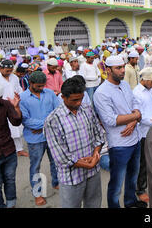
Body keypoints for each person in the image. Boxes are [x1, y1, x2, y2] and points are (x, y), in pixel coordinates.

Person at [93, 55, 146, 208]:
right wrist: (135, 116)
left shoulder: (125, 85)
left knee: (132, 177)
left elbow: (135, 103)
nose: (123, 70)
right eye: (118, 68)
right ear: (108, 70)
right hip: (120, 144)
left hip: (135, 138)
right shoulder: (101, 92)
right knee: (116, 183)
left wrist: (135, 119)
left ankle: (130, 203)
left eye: (123, 67)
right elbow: (110, 120)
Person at [45, 77, 105, 208]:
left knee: (94, 204)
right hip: (71, 177)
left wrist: (95, 155)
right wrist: (85, 164)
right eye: (74, 100)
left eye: (81, 99)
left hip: (93, 171)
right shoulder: (53, 120)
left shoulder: (87, 109)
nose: (78, 103)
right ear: (63, 97)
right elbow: (60, 156)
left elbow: (99, 134)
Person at [19, 71, 60, 206]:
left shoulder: (50, 94)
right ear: (30, 83)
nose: (41, 88)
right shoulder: (22, 98)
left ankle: (56, 183)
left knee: (55, 161)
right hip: (34, 139)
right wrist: (46, 123)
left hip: (52, 135)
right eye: (38, 86)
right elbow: (26, 120)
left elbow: (58, 112)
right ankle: (37, 194)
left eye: (43, 86)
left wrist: (42, 125)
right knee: (35, 166)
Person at [132, 67, 152, 204]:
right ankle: (140, 190)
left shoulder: (151, 90)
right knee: (143, 163)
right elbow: (139, 117)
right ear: (146, 80)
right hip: (143, 133)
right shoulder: (136, 93)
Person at [0, 60, 28, 157]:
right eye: (7, 70)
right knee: (4, 129)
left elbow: (19, 89)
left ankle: (19, 149)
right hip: (1, 107)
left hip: (14, 105)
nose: (9, 72)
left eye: (11, 70)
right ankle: (8, 150)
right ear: (1, 68)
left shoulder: (14, 77)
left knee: (17, 128)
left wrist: (19, 97)